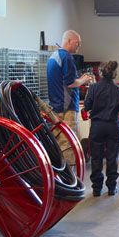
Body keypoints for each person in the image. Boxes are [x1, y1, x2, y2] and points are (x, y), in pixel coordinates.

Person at [46, 29, 92, 171]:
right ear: (69, 41)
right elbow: (70, 83)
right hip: (67, 109)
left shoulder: (53, 56)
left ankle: (62, 177)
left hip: (55, 107)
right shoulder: (67, 58)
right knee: (68, 145)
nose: (79, 46)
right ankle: (70, 179)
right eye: (77, 43)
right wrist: (84, 80)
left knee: (59, 143)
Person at [82, 60, 119, 196]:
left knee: (96, 157)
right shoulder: (118, 90)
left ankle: (96, 188)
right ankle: (112, 187)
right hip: (112, 125)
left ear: (100, 73)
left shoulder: (93, 88)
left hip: (97, 126)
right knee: (112, 157)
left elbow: (87, 106)